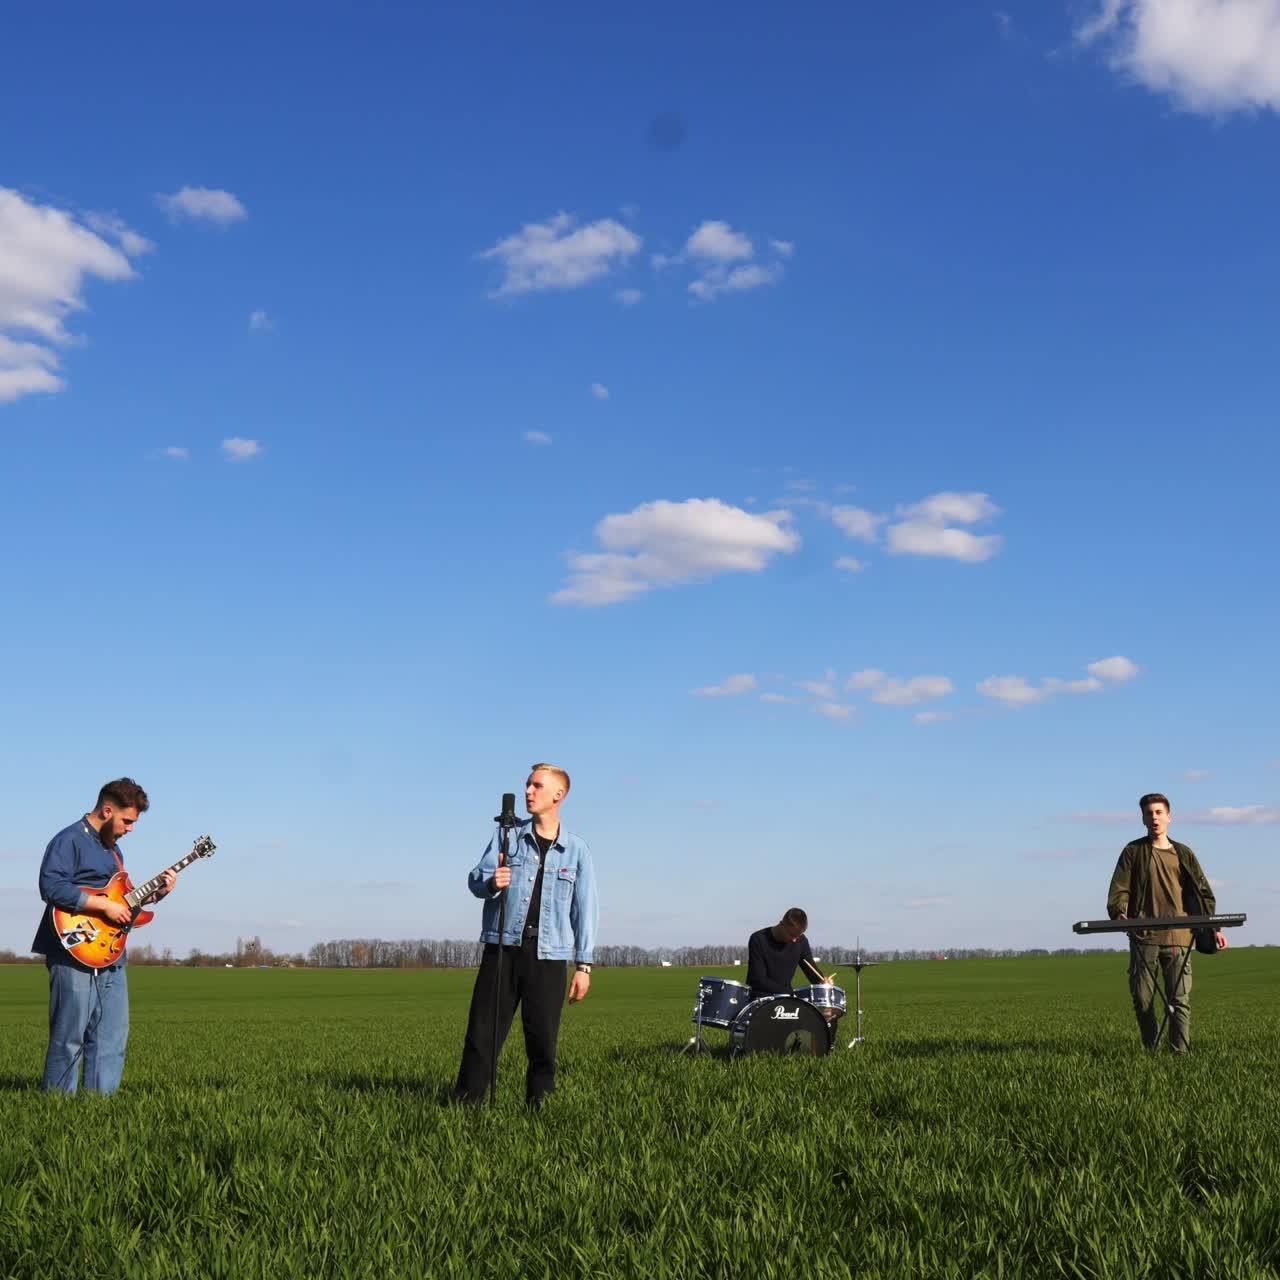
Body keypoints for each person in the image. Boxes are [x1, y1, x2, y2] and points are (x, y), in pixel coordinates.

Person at [453, 763, 598, 1107]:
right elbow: (476, 880)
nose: (528, 792)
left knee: (543, 1041)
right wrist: (492, 883)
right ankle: (465, 1108)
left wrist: (584, 965)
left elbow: (585, 910)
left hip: (549, 957)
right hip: (502, 950)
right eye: (528, 785)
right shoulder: (507, 836)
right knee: (482, 1036)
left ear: (558, 795)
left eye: (537, 786)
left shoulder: (577, 851)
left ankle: (540, 1111)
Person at [31, 778, 178, 1093]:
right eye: (127, 820)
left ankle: (99, 1107)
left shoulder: (115, 852)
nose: (130, 828)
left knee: (111, 1035)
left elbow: (121, 904)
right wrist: (102, 906)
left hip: (112, 951)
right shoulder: (68, 840)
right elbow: (51, 886)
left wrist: (157, 895)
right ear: (107, 810)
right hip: (72, 948)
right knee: (69, 1035)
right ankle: (58, 1107)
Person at [1106, 792, 1223, 1054]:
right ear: (1143, 819)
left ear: (1169, 817)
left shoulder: (1184, 853)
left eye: (1159, 812)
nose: (1154, 818)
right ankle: (1152, 1048)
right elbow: (1119, 889)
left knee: (1179, 999)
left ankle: (1179, 1054)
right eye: (1149, 813)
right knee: (1142, 997)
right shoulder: (1132, 851)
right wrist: (1119, 913)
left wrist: (1214, 928)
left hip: (1180, 937)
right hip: (1144, 936)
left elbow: (1204, 893)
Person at [745, 908, 833, 1001]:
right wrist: (791, 993)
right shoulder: (758, 939)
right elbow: (758, 979)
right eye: (791, 935)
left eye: (798, 935)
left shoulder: (801, 941)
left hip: (786, 999)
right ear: (781, 924)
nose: (794, 940)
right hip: (759, 999)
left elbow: (811, 970)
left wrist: (822, 982)